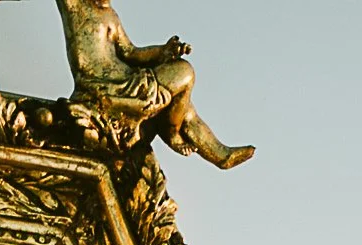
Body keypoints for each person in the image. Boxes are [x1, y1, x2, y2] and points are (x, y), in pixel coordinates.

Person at [55, 1, 253, 168]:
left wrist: (163, 51)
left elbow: (130, 52)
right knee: (184, 72)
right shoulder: (75, 6)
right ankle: (173, 134)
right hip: (106, 86)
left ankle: (219, 154)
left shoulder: (110, 14)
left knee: (183, 101)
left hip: (128, 79)